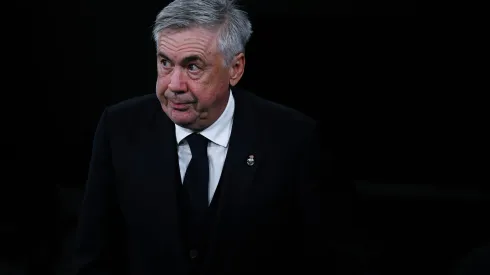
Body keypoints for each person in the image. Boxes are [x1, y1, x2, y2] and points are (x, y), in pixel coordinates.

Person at [73, 0, 346, 274]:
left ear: (235, 69)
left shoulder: (293, 138)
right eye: (165, 63)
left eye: (193, 67)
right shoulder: (119, 128)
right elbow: (92, 256)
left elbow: (326, 257)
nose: (174, 86)